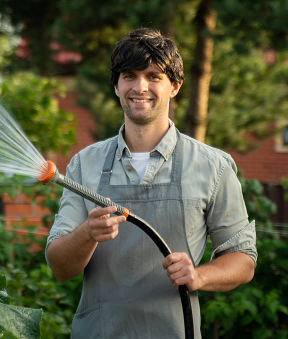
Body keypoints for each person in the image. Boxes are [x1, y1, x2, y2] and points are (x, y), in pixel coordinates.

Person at [45, 28, 257, 338]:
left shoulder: (214, 167)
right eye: (129, 75)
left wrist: (198, 276)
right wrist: (87, 233)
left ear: (175, 86)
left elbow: (243, 260)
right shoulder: (83, 164)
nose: (140, 86)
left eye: (154, 76)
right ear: (116, 86)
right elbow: (60, 267)